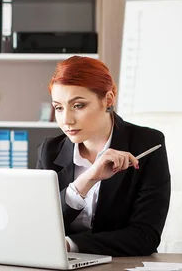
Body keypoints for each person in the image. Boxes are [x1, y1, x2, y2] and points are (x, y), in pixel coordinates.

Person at [36, 55, 171, 257]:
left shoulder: (147, 144)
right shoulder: (50, 151)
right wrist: (86, 181)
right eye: (59, 107)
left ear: (108, 100)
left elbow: (146, 236)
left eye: (78, 105)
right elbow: (39, 226)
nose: (67, 120)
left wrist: (71, 244)